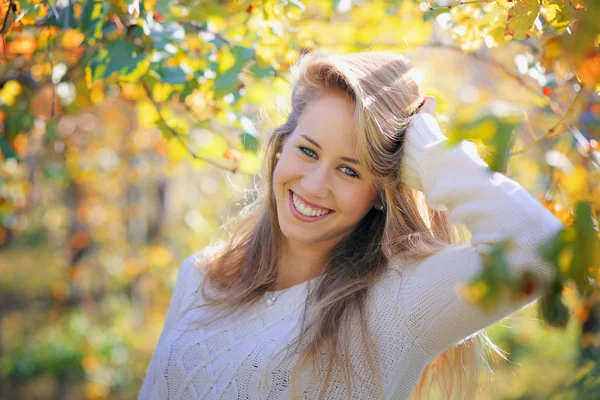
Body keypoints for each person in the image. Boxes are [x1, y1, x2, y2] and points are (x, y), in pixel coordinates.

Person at [138, 51, 565, 400]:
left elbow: (541, 250)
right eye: (307, 151)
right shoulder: (200, 277)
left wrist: (429, 150)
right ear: (281, 146)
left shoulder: (398, 303)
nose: (314, 185)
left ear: (380, 191)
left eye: (349, 170)